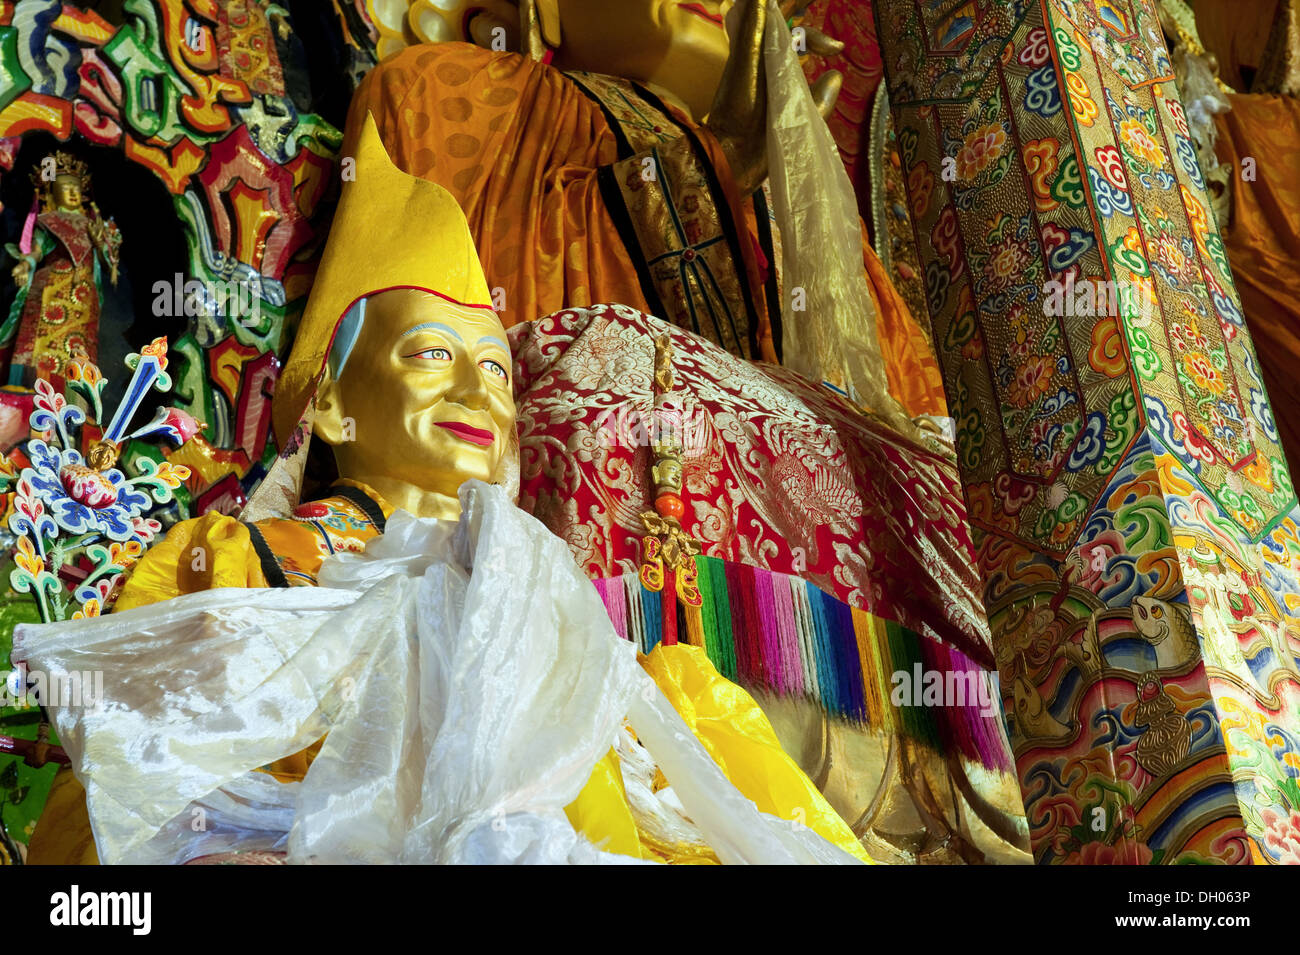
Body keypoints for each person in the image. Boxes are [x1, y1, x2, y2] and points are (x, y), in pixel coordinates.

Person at [19, 113, 868, 865]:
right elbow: (123, 793)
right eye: (431, 354)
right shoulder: (243, 566)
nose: (480, 392)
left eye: (496, 368)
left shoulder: (588, 634)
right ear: (333, 405)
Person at [343, 0, 946, 422]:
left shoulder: (805, 196)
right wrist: (708, 177)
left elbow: (907, 409)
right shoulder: (449, 90)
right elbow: (475, 333)